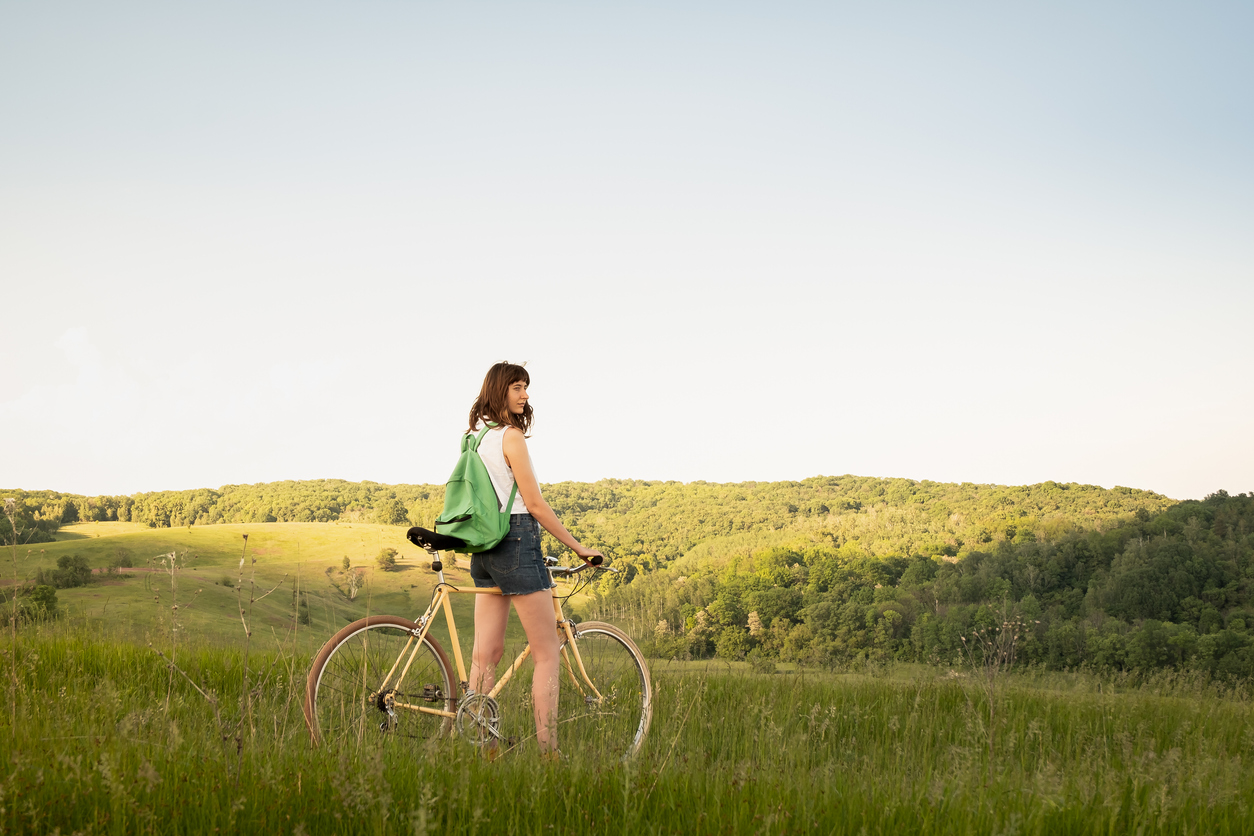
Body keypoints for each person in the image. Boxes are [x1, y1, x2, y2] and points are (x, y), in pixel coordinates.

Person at [464, 361, 603, 757]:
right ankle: (549, 756)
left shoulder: (475, 438)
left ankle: (481, 745)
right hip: (517, 539)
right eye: (517, 388)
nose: (525, 395)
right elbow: (536, 505)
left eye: (526, 388)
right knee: (545, 653)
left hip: (484, 545)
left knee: (484, 656)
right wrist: (579, 547)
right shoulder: (511, 437)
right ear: (499, 391)